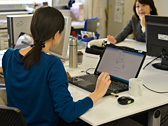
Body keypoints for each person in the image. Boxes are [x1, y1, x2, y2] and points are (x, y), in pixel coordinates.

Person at [2, 7, 111, 126]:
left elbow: (30, 75)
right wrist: (97, 93)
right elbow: (68, 113)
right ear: (56, 35)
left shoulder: (8, 56)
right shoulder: (53, 64)